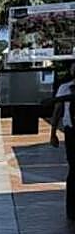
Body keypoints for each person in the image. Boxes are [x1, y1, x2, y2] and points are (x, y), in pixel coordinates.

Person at [50, 66, 75, 222]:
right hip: (71, 132)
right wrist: (52, 133)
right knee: (73, 169)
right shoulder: (66, 88)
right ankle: (72, 210)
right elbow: (58, 110)